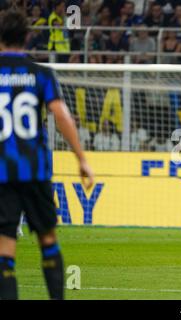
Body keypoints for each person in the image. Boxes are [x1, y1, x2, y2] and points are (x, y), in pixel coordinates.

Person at [0, 9, 94, 300]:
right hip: (36, 170)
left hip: (3, 173)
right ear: (27, 37)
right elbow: (62, 116)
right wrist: (81, 158)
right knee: (48, 239)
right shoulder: (41, 73)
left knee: (5, 248)